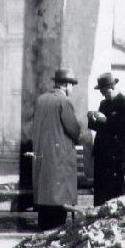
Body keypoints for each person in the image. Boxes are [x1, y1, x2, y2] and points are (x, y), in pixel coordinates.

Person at [31, 68, 81, 231]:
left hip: (42, 155)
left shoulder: (41, 100)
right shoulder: (64, 102)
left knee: (45, 195)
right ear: (66, 85)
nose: (72, 89)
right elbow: (73, 129)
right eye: (72, 85)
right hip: (60, 157)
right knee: (59, 200)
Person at [87, 72, 125, 206]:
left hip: (116, 154)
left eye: (103, 90)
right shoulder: (104, 104)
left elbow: (123, 128)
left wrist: (106, 120)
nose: (102, 94)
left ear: (111, 87)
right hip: (102, 152)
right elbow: (98, 127)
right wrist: (92, 118)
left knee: (115, 188)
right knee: (100, 188)